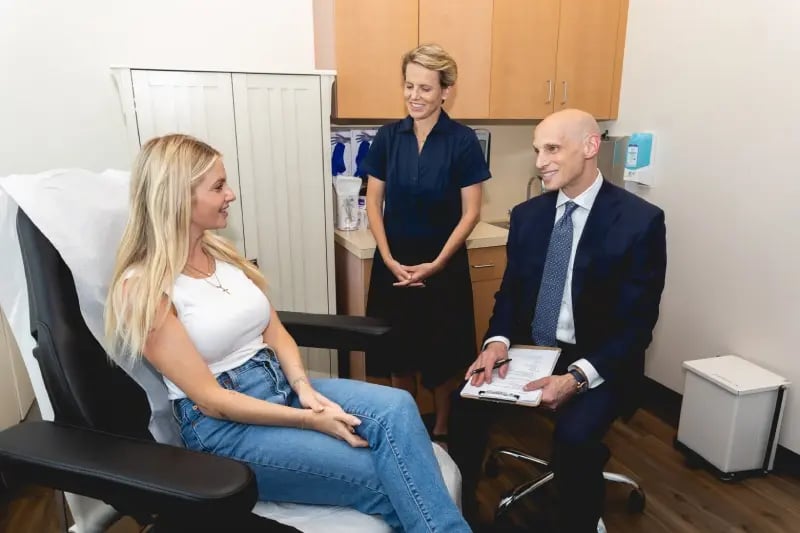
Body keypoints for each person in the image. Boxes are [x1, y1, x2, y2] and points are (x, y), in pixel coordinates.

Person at [104, 134, 471, 533]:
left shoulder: (221, 255)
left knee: (399, 407)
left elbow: (275, 333)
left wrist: (304, 387)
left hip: (276, 384)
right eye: (218, 186)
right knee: (384, 474)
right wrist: (309, 420)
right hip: (224, 430)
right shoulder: (142, 288)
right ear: (177, 197)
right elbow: (212, 401)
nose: (231, 194)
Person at [449, 109, 667, 532]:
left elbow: (637, 326)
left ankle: (582, 522)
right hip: (532, 349)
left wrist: (576, 378)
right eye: (537, 150)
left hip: (599, 359)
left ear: (589, 147)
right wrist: (495, 342)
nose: (539, 161)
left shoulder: (639, 222)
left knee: (575, 437)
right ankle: (457, 513)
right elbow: (510, 296)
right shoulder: (529, 216)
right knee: (465, 404)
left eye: (552, 148)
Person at [362, 44, 491, 445]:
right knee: (397, 350)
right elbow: (372, 201)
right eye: (409, 86)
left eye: (425, 89)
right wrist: (387, 257)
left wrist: (436, 264)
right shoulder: (387, 137)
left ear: (445, 91)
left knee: (442, 356)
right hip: (395, 263)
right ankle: (405, 429)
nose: (415, 96)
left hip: (443, 265)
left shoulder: (463, 141)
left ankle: (442, 428)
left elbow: (470, 213)